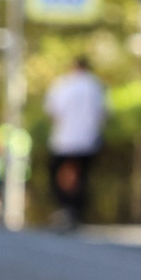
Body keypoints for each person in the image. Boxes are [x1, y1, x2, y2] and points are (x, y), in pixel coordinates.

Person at [46, 56, 108, 230]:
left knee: (59, 173)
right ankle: (75, 211)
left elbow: (53, 112)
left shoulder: (63, 84)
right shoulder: (96, 86)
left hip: (64, 139)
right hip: (88, 139)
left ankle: (66, 207)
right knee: (81, 175)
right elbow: (103, 113)